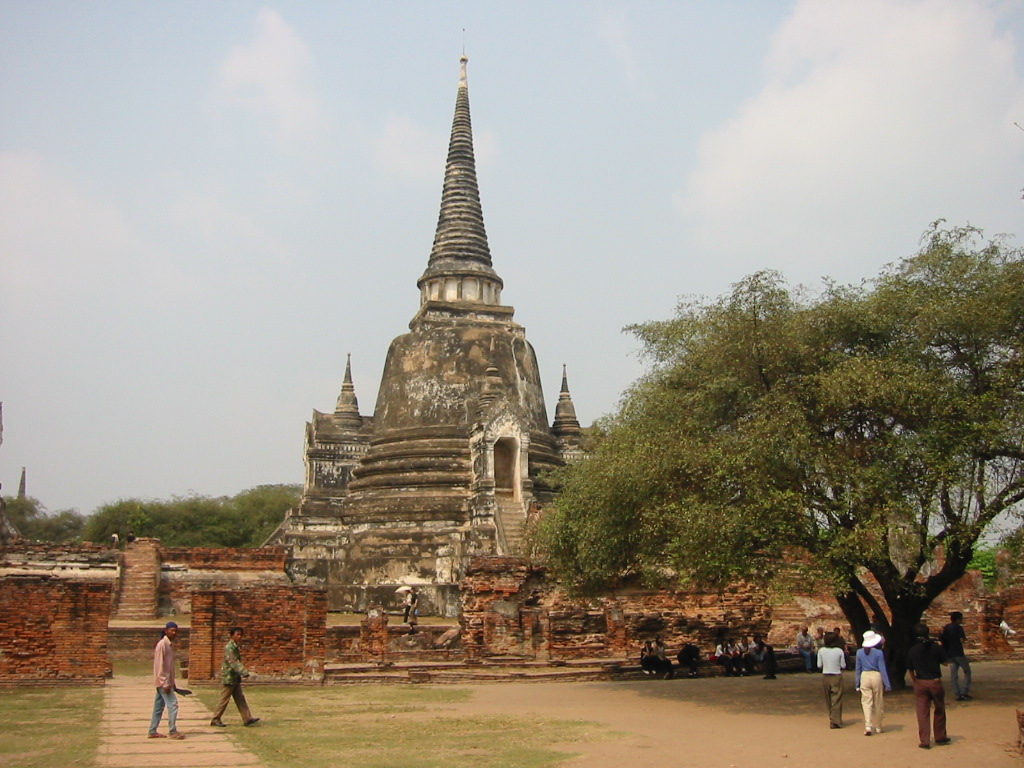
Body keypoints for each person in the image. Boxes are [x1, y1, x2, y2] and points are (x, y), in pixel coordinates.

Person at [907, 622, 950, 749]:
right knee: (939, 709)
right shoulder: (936, 647)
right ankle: (940, 736)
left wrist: (914, 680)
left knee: (922, 712)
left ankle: (925, 740)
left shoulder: (913, 650)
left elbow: (910, 668)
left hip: (920, 682)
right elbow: (946, 663)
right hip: (935, 681)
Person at [210, 627, 260, 728]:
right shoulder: (229, 647)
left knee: (240, 699)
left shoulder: (235, 646)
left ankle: (247, 718)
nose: (239, 637)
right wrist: (244, 672)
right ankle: (216, 718)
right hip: (229, 677)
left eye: (241, 635)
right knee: (224, 699)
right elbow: (233, 662)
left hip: (234, 677)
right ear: (232, 635)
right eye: (237, 634)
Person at [149, 621, 184, 739]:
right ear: (166, 631)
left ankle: (152, 731)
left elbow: (169, 666)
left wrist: (173, 683)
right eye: (171, 630)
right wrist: (164, 682)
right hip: (163, 682)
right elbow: (159, 665)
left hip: (166, 682)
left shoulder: (169, 645)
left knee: (158, 707)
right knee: (173, 705)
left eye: (175, 631)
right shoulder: (162, 645)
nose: (174, 633)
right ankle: (173, 731)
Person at [855, 630, 891, 736]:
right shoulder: (878, 653)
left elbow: (858, 669)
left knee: (866, 702)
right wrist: (887, 684)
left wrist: (857, 683)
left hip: (864, 676)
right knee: (878, 701)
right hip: (876, 676)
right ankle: (879, 726)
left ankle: (868, 725)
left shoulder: (859, 652)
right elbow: (882, 669)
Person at [940, 612, 972, 701]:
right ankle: (964, 692)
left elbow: (942, 638)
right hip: (958, 653)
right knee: (967, 672)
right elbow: (962, 639)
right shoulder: (958, 627)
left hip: (949, 654)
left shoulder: (946, 627)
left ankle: (957, 694)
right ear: (958, 619)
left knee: (954, 675)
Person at [817, 632, 846, 729]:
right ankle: (836, 720)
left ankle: (832, 718)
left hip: (825, 676)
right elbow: (843, 665)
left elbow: (819, 665)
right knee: (837, 699)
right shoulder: (839, 651)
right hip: (836, 675)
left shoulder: (821, 651)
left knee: (828, 699)